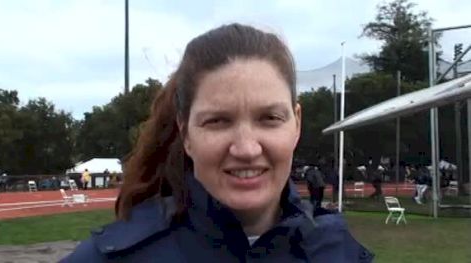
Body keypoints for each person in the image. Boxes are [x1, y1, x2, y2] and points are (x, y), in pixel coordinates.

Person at [62, 23, 373, 262]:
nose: (247, 149)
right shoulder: (111, 258)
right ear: (186, 134)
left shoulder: (337, 251)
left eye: (269, 118)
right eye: (218, 121)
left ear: (296, 124)